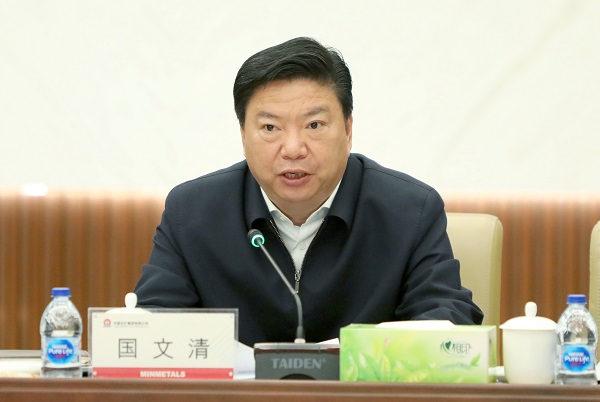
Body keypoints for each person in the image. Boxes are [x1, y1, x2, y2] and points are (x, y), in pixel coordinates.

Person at [133, 37, 483, 347]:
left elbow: (447, 320)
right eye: (270, 127)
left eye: (314, 125)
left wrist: (363, 357)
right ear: (243, 135)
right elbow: (152, 326)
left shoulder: (409, 211)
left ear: (348, 130)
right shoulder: (192, 213)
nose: (293, 149)